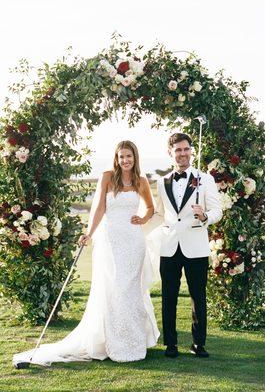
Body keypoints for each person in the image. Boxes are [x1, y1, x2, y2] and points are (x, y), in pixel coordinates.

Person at [13, 140, 159, 366]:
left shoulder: (141, 181)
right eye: (121, 157)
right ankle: (112, 342)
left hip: (133, 242)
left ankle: (133, 342)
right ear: (116, 158)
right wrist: (89, 233)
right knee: (114, 290)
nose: (125, 160)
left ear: (135, 157)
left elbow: (150, 207)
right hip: (111, 240)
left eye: (129, 156)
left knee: (130, 291)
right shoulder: (108, 177)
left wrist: (144, 218)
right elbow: (99, 207)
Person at [154, 132, 222, 358]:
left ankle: (198, 345)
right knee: (168, 297)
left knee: (197, 297)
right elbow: (160, 213)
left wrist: (204, 217)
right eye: (178, 150)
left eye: (186, 149)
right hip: (169, 246)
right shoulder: (162, 182)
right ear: (170, 153)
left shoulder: (205, 179)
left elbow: (217, 211)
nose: (182, 154)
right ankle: (170, 345)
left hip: (196, 246)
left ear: (191, 151)